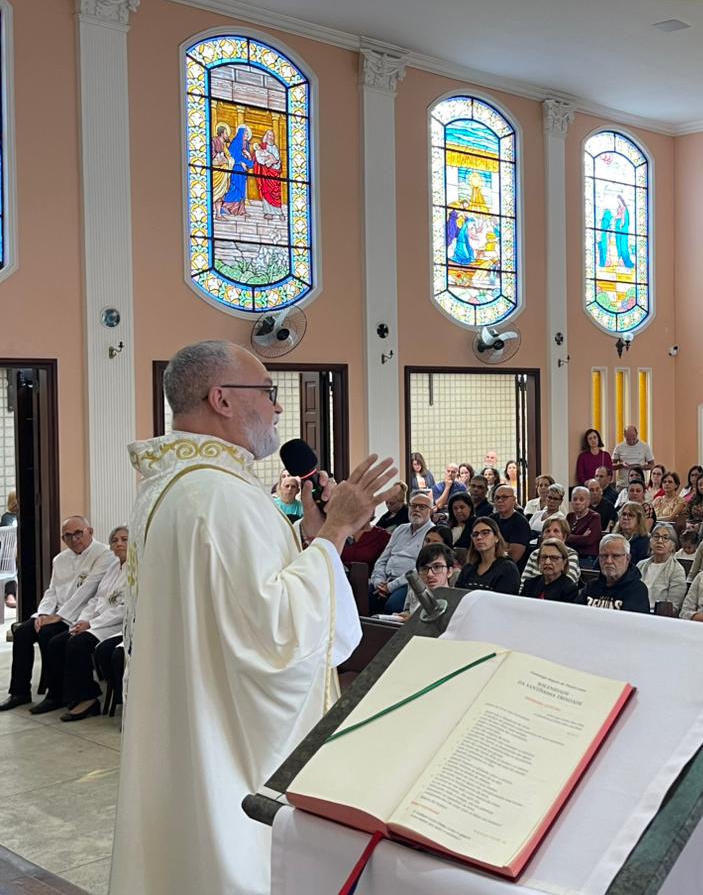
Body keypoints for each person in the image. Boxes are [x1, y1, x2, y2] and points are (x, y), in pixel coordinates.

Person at [113, 340, 393, 895]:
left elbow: (234, 592)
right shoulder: (218, 495)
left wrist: (308, 537)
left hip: (192, 723)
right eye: (267, 392)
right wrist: (336, 531)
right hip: (229, 744)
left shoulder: (178, 487)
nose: (279, 408)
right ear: (221, 398)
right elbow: (279, 633)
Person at [0, 516, 115, 714]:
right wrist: (42, 614)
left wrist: (59, 616)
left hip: (80, 614)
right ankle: (19, 692)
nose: (74, 539)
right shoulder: (60, 559)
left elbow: (87, 591)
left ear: (90, 531)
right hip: (56, 612)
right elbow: (52, 590)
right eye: (68, 536)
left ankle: (57, 694)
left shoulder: (104, 555)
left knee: (48, 635)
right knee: (22, 632)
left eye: (78, 533)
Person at [42, 526, 130, 722]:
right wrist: (84, 620)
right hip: (97, 621)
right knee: (57, 642)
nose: (119, 544)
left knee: (77, 644)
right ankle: (64, 695)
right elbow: (96, 599)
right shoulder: (113, 568)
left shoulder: (137, 570)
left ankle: (88, 698)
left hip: (115, 624)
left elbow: (125, 608)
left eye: (124, 539)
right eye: (115, 540)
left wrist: (93, 624)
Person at [368, 492, 435, 615]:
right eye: (413, 506)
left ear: (430, 511)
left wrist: (391, 586)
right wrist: (378, 581)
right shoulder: (400, 529)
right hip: (385, 580)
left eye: (422, 507)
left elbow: (420, 568)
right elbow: (383, 559)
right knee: (363, 597)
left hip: (409, 583)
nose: (416, 510)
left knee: (392, 605)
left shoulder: (432, 533)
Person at [579, 533, 650, 612]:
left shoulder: (637, 590)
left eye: (615, 556)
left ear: (627, 558)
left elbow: (632, 622)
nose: (608, 561)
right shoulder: (591, 586)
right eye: (604, 556)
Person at [455, 516, 520, 594]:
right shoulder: (468, 568)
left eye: (485, 533)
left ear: (496, 537)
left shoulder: (508, 568)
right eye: (475, 534)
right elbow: (457, 596)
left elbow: (504, 602)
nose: (479, 537)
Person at [638, 522, 686, 611]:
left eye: (665, 538)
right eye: (656, 537)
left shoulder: (677, 570)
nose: (660, 541)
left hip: (658, 616)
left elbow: (673, 606)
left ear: (673, 545)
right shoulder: (640, 565)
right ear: (650, 541)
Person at [522, 515, 581, 586]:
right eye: (547, 531)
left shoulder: (570, 554)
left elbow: (569, 583)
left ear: (564, 536)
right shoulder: (535, 554)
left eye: (556, 531)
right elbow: (523, 583)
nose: (551, 534)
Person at [518, 537, 579, 602]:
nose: (547, 562)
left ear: (564, 562)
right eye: (544, 557)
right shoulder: (530, 584)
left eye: (554, 558)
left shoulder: (569, 589)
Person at [490, 484, 531, 566]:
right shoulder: (492, 519)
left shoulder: (520, 523)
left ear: (514, 500)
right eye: (497, 498)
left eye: (504, 497)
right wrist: (505, 545)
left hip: (509, 568)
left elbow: (513, 557)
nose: (500, 501)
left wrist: (493, 541)